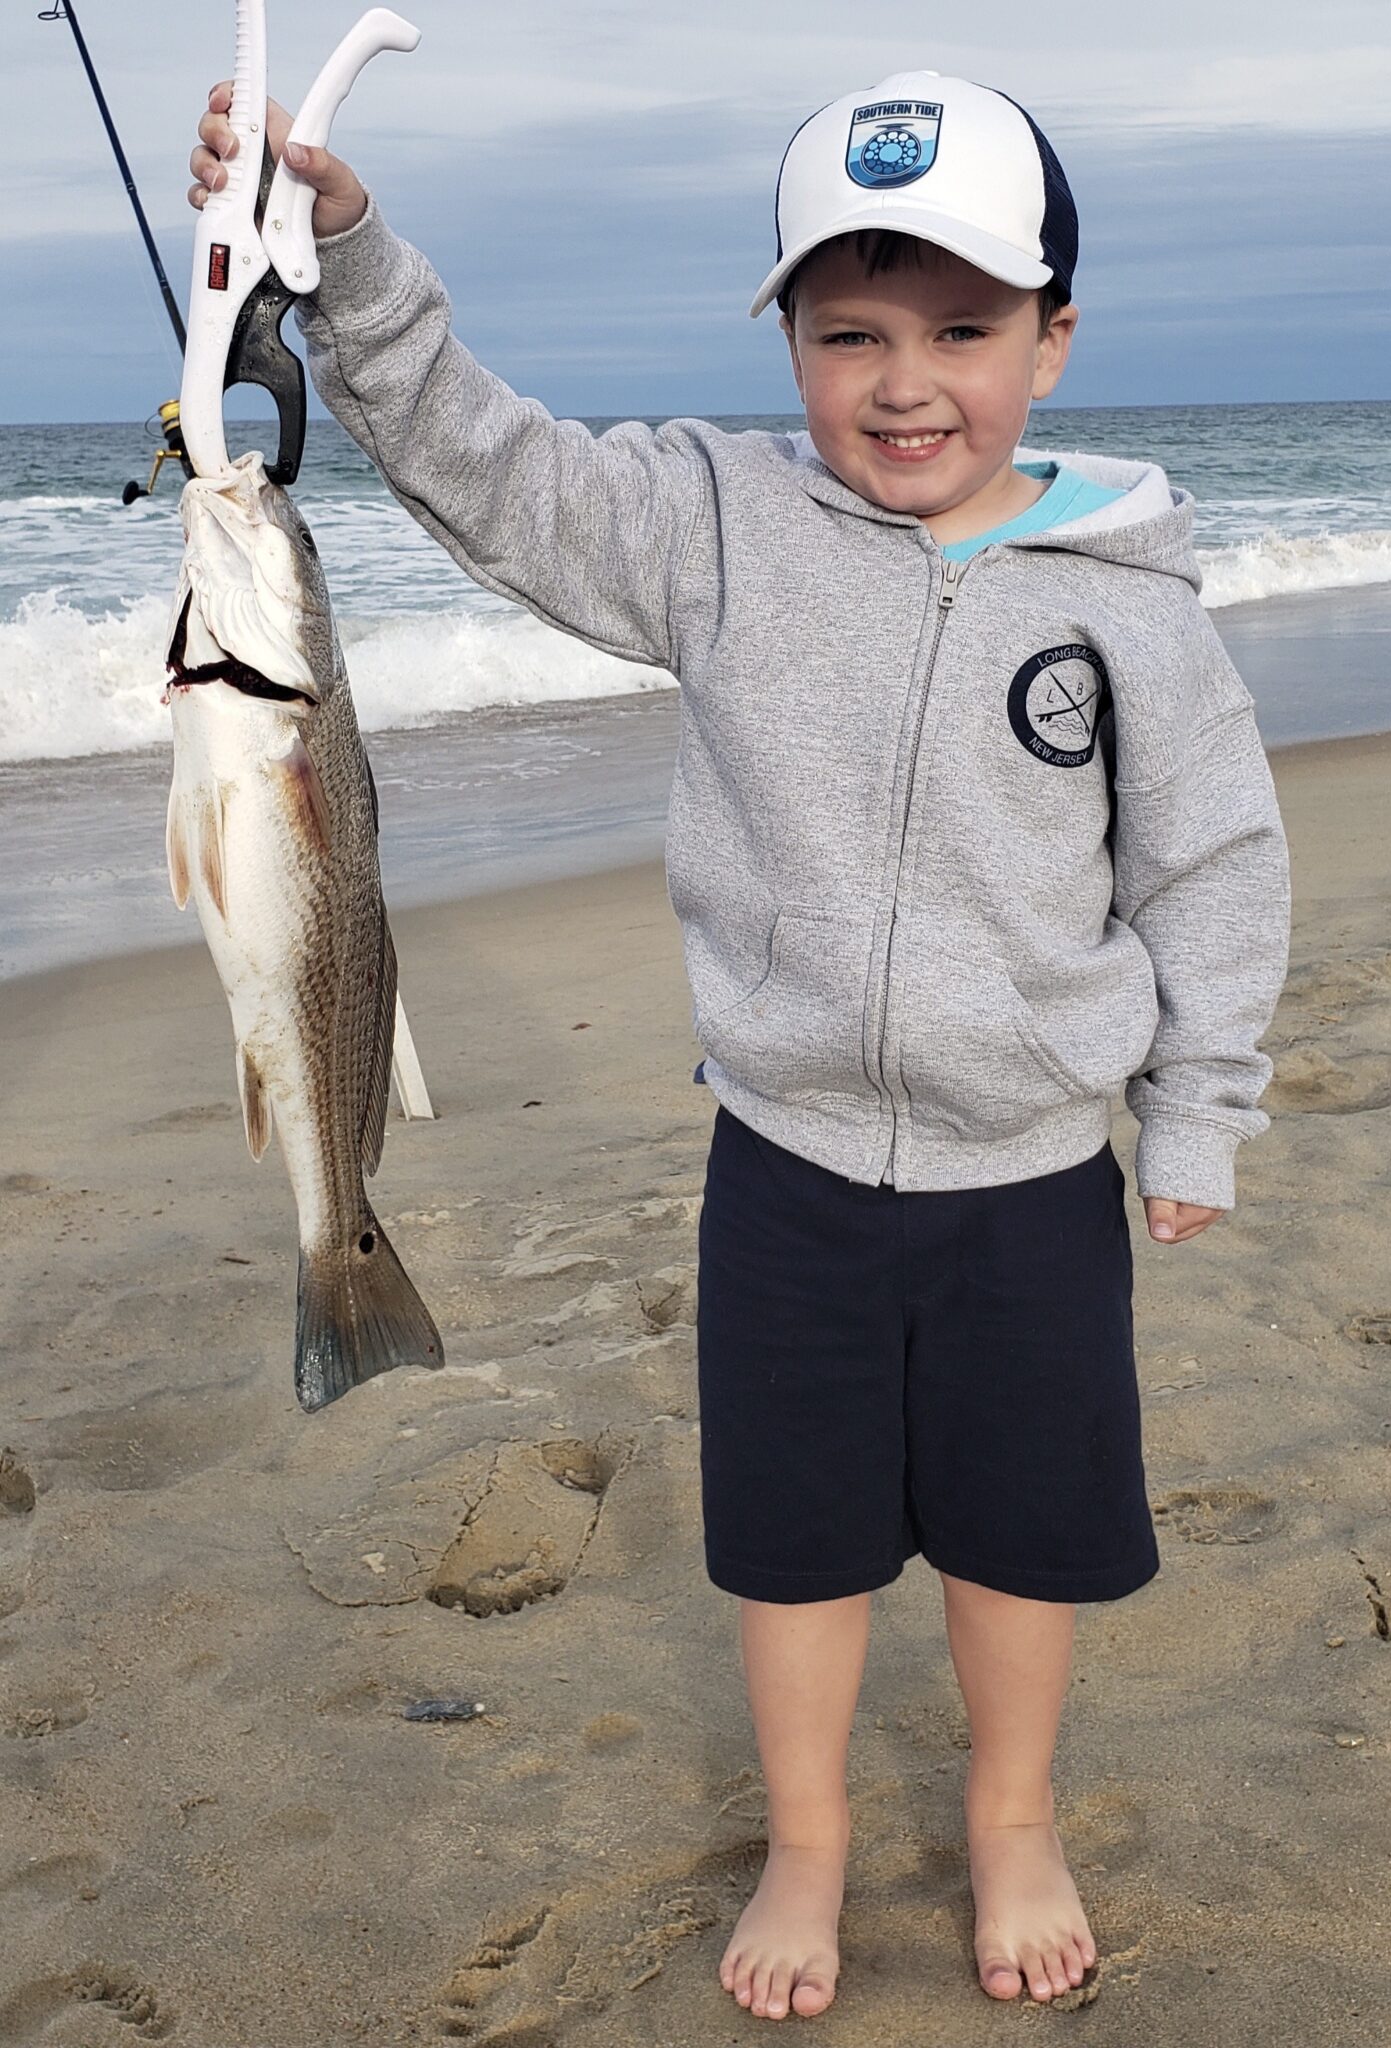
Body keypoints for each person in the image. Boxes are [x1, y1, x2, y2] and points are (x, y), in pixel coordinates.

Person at [190, 64, 1290, 2025]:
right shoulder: (713, 527)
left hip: (1033, 1175)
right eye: (845, 330)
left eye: (962, 328)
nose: (902, 380)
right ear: (784, 330)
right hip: (781, 1166)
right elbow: (491, 465)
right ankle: (807, 1838)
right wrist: (344, 263)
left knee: (1019, 1536)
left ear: (1055, 338)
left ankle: (1014, 1813)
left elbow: (1210, 871)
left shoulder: (1133, 608)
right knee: (794, 1545)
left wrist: (1196, 1112)